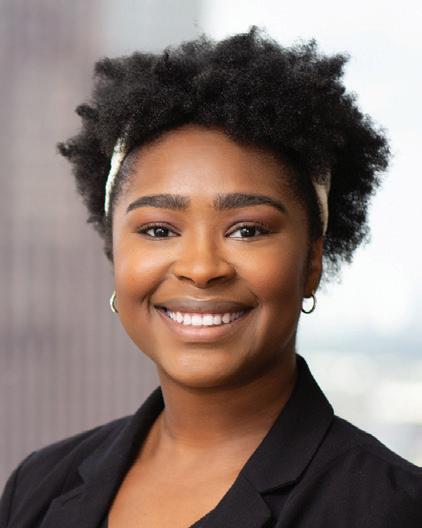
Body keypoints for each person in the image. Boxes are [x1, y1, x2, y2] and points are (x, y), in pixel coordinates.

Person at [1, 26, 421, 528]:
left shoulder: (391, 508)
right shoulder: (38, 485)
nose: (201, 268)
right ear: (115, 254)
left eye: (247, 230)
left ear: (312, 260)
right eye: (158, 230)